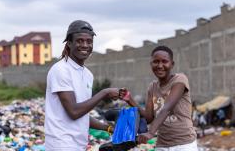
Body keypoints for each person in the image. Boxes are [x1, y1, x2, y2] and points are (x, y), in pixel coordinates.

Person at [44, 20, 122, 151]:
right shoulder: (61, 70)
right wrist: (105, 93)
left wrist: (108, 128)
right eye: (80, 41)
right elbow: (74, 112)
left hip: (78, 144)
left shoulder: (87, 74)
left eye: (89, 41)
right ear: (69, 43)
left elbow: (82, 113)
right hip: (61, 144)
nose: (85, 45)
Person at [122, 45, 198, 150]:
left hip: (184, 144)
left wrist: (150, 133)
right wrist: (130, 99)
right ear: (151, 64)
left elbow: (166, 108)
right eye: (156, 62)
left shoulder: (180, 80)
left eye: (164, 61)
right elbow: (149, 118)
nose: (160, 65)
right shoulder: (152, 87)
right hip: (162, 144)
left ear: (172, 64)